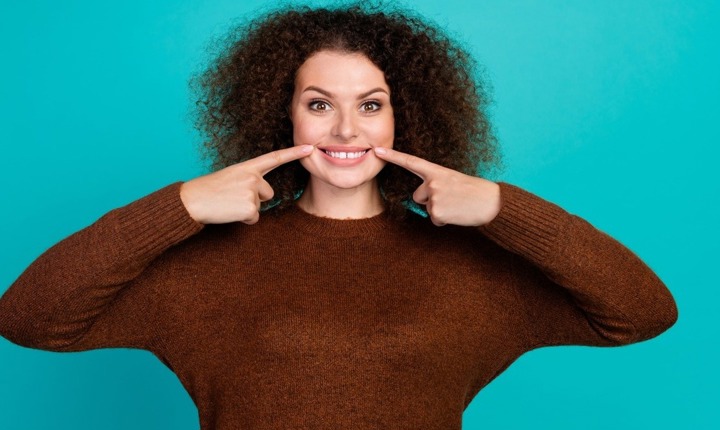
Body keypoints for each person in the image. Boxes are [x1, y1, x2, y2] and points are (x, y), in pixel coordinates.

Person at [0, 4, 677, 429]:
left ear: (405, 114)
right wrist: (176, 208)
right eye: (320, 104)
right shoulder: (205, 266)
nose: (347, 129)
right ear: (283, 113)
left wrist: (504, 208)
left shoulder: (474, 270)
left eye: (372, 104)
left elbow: (642, 312)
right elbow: (28, 319)